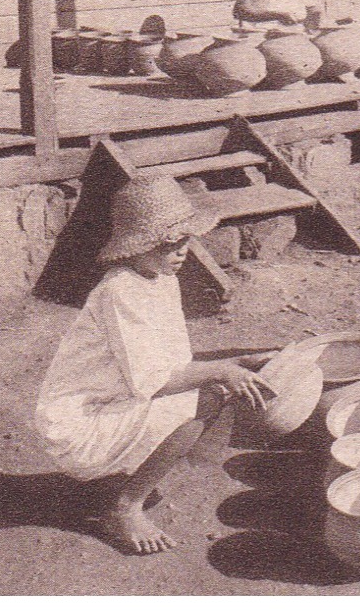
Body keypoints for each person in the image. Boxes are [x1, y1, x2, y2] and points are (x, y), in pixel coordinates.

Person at [35, 176, 278, 555]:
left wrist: (236, 362)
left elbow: (174, 364)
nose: (182, 251)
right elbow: (156, 382)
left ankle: (139, 466)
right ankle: (122, 507)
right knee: (207, 397)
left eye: (186, 240)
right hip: (79, 419)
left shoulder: (160, 279)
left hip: (115, 399)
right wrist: (223, 370)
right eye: (170, 243)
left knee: (213, 387)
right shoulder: (120, 291)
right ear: (139, 245)